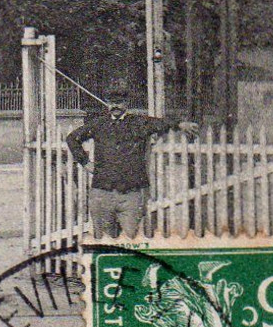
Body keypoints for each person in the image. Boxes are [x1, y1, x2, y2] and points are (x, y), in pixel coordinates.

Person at [66, 82, 197, 238]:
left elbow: (161, 123)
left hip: (131, 194)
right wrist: (85, 162)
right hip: (102, 192)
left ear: (126, 103)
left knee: (130, 237)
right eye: (111, 102)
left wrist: (180, 124)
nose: (115, 105)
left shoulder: (138, 123)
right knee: (103, 239)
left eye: (119, 102)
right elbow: (72, 138)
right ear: (107, 103)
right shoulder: (98, 124)